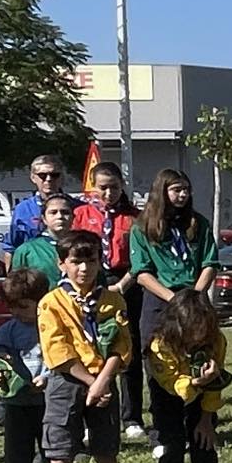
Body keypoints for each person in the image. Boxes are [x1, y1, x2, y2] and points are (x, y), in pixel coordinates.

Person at [37, 228, 131, 463]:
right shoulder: (51, 303)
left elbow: (122, 347)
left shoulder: (112, 299)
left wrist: (103, 381)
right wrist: (92, 383)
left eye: (91, 260)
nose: (84, 268)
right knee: (60, 452)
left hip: (104, 381)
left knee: (106, 450)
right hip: (67, 383)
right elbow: (58, 351)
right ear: (61, 263)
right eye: (76, 261)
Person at [127, 168, 222, 454]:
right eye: (176, 190)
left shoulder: (198, 223)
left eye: (185, 190)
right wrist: (172, 299)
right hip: (160, 301)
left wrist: (194, 294)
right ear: (161, 192)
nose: (182, 195)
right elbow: (141, 273)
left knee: (202, 356)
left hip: (194, 298)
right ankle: (163, 433)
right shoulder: (142, 227)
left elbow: (210, 262)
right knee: (159, 363)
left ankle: (203, 424)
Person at [147, 288, 232, 463]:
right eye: (193, 327)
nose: (199, 334)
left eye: (204, 326)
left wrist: (206, 419)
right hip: (169, 394)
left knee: (204, 444)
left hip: (203, 391)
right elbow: (173, 385)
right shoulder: (159, 344)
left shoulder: (216, 340)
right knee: (171, 448)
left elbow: (216, 383)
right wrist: (197, 382)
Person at [76, 160, 146, 439]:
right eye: (103, 188)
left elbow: (141, 258)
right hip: (90, 280)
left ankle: (132, 416)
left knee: (128, 347)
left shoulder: (135, 217)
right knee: (91, 346)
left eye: (114, 187)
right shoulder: (81, 214)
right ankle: (90, 414)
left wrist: (122, 285)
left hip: (127, 282)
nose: (108, 194)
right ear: (94, 187)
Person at [0, 267, 51, 463]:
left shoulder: (51, 325)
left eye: (23, 306)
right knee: (16, 458)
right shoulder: (7, 330)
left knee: (54, 452)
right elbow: (0, 359)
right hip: (16, 403)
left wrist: (47, 376)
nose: (17, 313)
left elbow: (59, 355)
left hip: (48, 401)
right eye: (12, 307)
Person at [7, 192, 74, 286]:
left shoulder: (84, 246)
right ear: (44, 218)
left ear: (73, 217)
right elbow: (16, 288)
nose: (59, 216)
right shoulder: (26, 250)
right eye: (53, 212)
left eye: (65, 212)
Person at [4, 155, 67, 254]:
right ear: (33, 178)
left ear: (62, 177)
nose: (48, 179)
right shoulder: (22, 209)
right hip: (33, 265)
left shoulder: (79, 208)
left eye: (54, 175)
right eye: (42, 175)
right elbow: (11, 248)